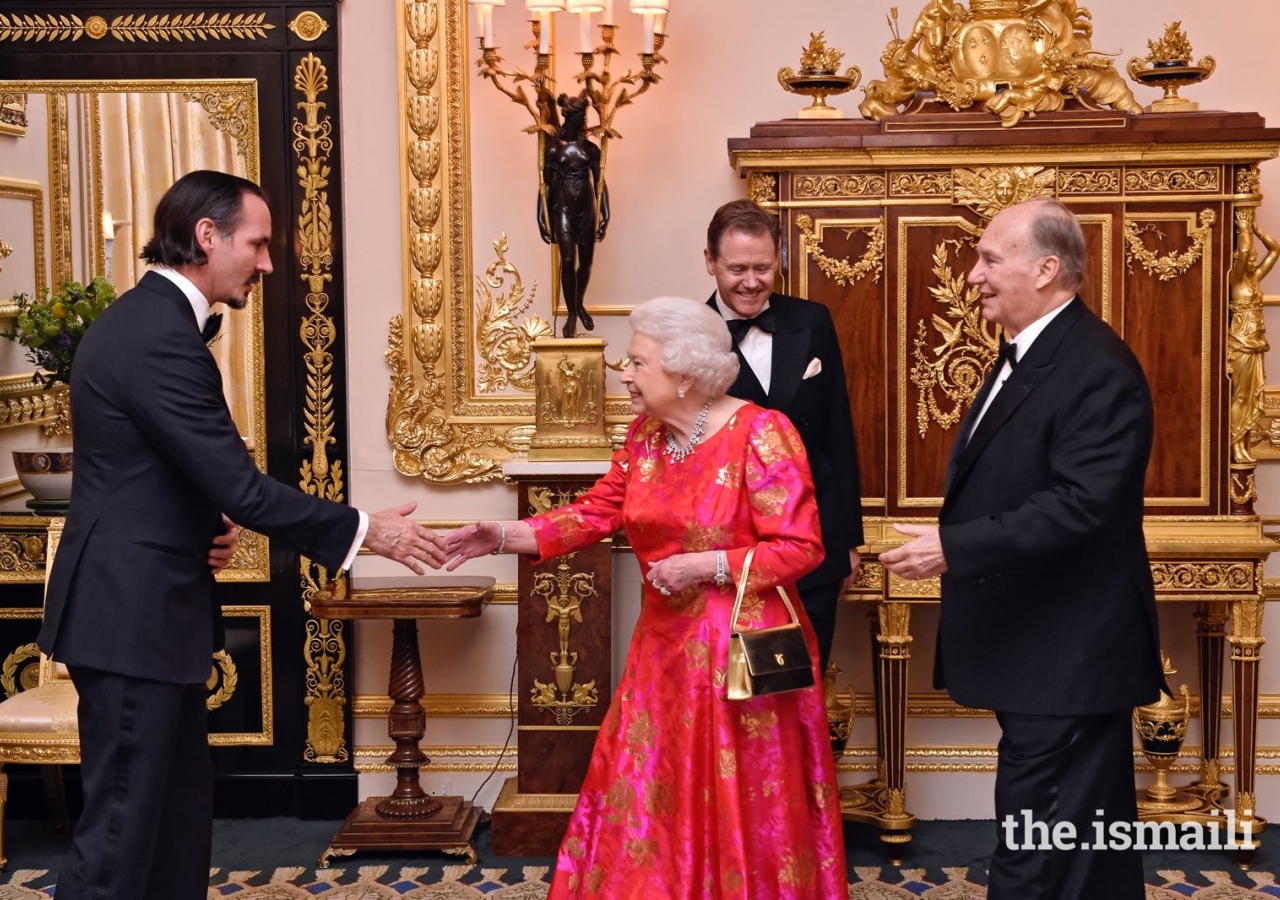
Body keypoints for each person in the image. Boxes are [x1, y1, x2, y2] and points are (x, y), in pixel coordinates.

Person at [38, 169, 451, 900]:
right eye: (257, 244)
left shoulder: (150, 324)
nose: (266, 263)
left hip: (147, 609)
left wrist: (199, 528)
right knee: (120, 837)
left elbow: (159, 477)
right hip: (131, 617)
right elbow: (241, 486)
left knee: (171, 825)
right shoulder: (156, 335)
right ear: (207, 236)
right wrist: (367, 531)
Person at [447, 296, 846, 899]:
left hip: (740, 657)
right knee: (649, 790)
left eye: (637, 363)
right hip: (662, 655)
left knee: (740, 800)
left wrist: (705, 566)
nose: (625, 375)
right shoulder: (646, 438)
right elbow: (592, 514)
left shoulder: (761, 433)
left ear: (685, 373)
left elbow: (800, 547)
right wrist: (501, 535)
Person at [880, 199, 1165, 900]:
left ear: (1045, 269)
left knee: (1038, 839)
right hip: (1050, 646)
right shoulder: (1037, 352)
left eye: (988, 258)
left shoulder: (1095, 364)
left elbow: (1082, 506)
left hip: (1071, 648)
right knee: (1080, 836)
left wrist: (954, 547)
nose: (971, 275)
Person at [704, 199, 863, 675]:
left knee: (806, 689)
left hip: (815, 542)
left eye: (763, 267)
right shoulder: (688, 336)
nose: (751, 281)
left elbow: (837, 429)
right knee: (746, 705)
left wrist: (846, 540)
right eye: (736, 269)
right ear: (709, 262)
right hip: (735, 551)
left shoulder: (812, 321)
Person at [538, 91, 609, 339]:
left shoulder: (591, 150)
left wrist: (605, 212)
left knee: (586, 262)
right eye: (584, 117)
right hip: (563, 209)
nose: (586, 121)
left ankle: (579, 303)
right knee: (568, 259)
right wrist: (541, 214)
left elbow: (600, 182)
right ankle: (570, 314)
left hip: (587, 210)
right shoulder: (554, 150)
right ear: (574, 118)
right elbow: (545, 185)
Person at [1227, 208, 1278, 463]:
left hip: (1257, 344)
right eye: (1248, 257)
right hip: (1241, 343)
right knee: (1240, 396)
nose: (1252, 258)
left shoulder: (1254, 279)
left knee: (1251, 396)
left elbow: (1276, 251)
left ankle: (1242, 444)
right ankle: (1235, 444)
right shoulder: (1235, 280)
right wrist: (1245, 229)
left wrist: (1257, 230)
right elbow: (1245, 250)